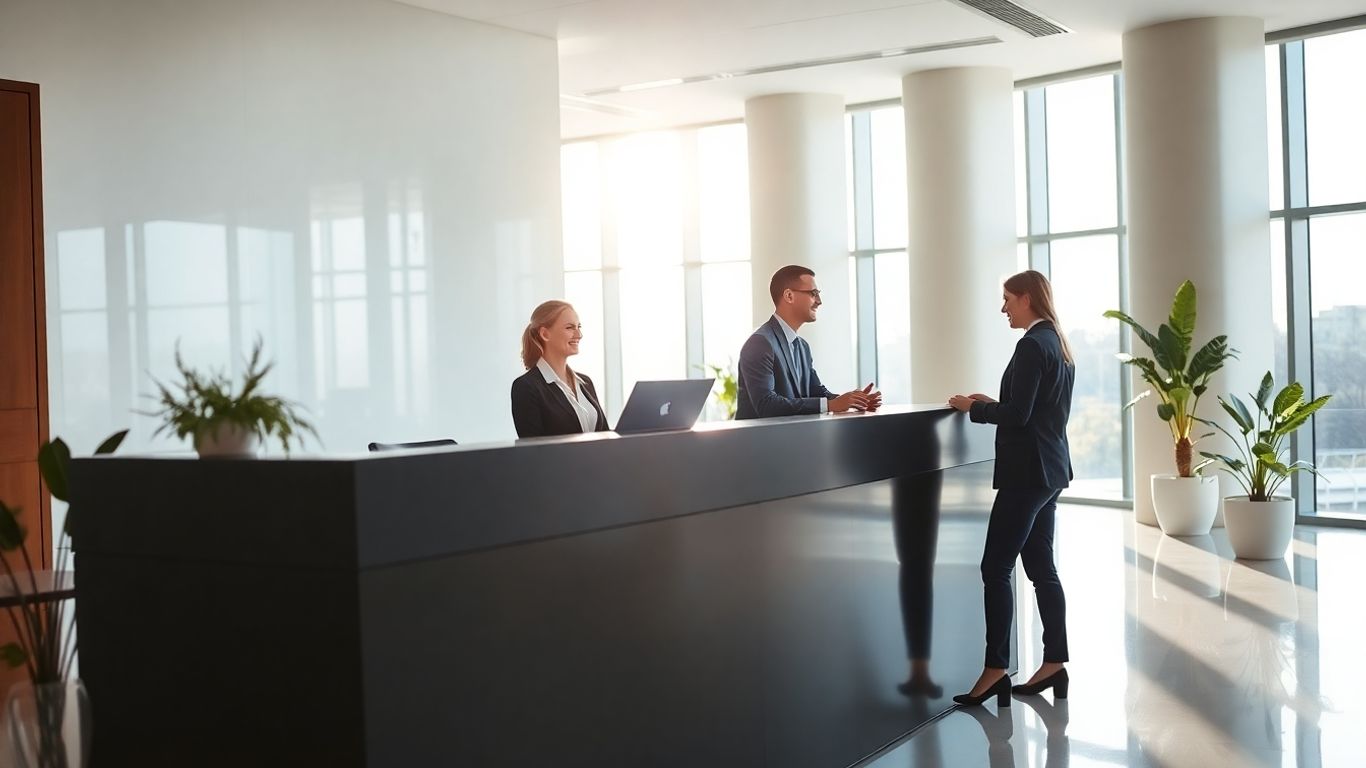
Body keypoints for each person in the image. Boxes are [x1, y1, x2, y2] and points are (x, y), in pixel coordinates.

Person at [947, 269, 1075, 708]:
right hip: (1052, 470)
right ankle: (1055, 661)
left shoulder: (1030, 345)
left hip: (1027, 476)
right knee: (1041, 567)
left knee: (995, 568)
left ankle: (995, 669)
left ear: (1025, 299)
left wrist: (973, 409)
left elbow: (1019, 416)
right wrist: (989, 403)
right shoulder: (1057, 342)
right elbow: (1037, 412)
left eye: (1006, 300)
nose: (1003, 308)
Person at [735, 265, 880, 419]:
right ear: (789, 296)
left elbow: (815, 391)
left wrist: (854, 401)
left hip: (792, 439)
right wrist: (831, 405)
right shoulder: (760, 343)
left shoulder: (802, 347)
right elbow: (767, 405)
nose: (819, 301)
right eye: (813, 293)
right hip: (759, 441)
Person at [510, 300, 609, 438]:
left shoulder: (585, 382)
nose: (579, 334)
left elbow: (604, 435)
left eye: (578, 326)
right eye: (569, 328)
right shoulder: (526, 387)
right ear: (545, 334)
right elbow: (532, 452)